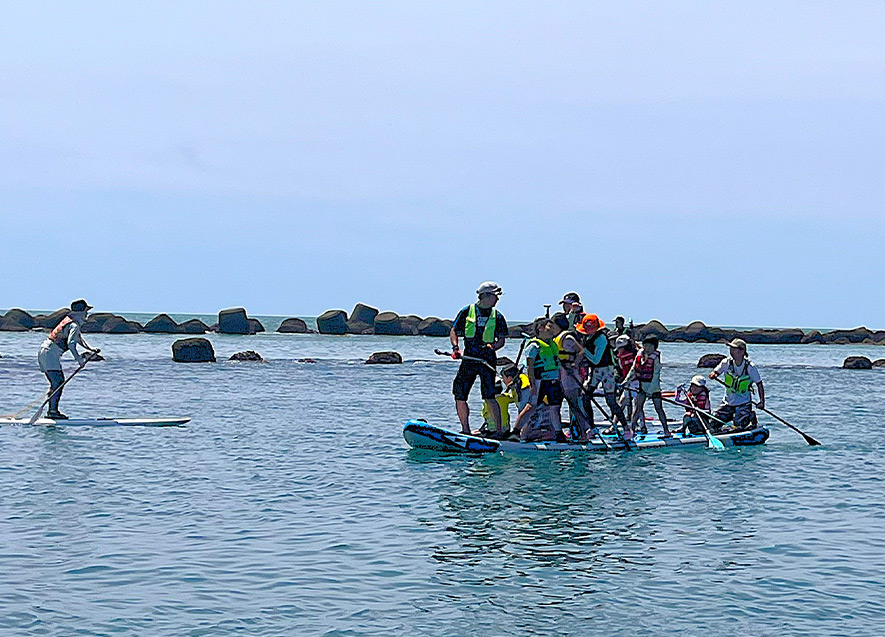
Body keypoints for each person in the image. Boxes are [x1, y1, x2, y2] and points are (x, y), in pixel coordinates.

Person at [450, 282, 509, 437]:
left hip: (487, 361)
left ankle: (498, 431)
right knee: (460, 394)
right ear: (486, 296)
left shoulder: (498, 316)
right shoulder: (466, 311)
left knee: (490, 395)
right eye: (495, 296)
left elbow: (502, 340)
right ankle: (465, 429)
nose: (497, 300)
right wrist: (455, 348)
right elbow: (454, 330)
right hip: (469, 359)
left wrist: (493, 347)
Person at [36, 299, 99, 419]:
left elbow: (79, 339)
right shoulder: (74, 325)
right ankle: (52, 412)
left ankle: (52, 410)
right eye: (86, 311)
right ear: (81, 311)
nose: (87, 314)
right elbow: (71, 344)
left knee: (56, 382)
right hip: (50, 354)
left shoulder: (71, 322)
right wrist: (79, 360)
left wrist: (91, 349)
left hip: (44, 351)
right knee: (58, 382)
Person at [577, 314, 629, 437]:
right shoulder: (588, 337)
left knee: (610, 400)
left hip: (606, 371)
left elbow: (595, 359)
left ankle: (626, 427)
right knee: (585, 396)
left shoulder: (601, 339)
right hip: (595, 371)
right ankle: (592, 427)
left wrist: (583, 351)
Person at [551, 312, 592, 441]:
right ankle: (574, 432)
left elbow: (581, 351)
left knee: (574, 404)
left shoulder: (567, 338)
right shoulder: (556, 338)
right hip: (561, 376)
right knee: (568, 404)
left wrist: (574, 364)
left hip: (570, 376)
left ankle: (585, 432)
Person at [709, 338, 764, 432]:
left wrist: (762, 401)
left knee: (739, 426)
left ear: (742, 351)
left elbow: (759, 384)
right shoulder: (726, 363)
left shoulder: (750, 367)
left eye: (734, 349)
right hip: (728, 403)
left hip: (743, 403)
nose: (731, 351)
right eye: (731, 349)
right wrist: (713, 374)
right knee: (712, 423)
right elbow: (715, 372)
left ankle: (750, 416)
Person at [621, 335, 671, 438]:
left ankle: (666, 431)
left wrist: (650, 390)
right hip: (642, 385)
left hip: (654, 387)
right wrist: (626, 381)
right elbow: (633, 369)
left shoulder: (655, 357)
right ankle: (632, 430)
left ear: (654, 347)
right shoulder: (639, 354)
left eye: (650, 346)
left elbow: (656, 374)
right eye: (645, 345)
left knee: (658, 408)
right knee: (637, 408)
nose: (647, 348)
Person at [524, 318, 564, 438]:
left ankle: (558, 432)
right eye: (549, 327)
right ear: (540, 328)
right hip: (540, 380)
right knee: (532, 406)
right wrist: (532, 385)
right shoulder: (534, 345)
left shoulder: (552, 344)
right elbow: (530, 367)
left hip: (553, 381)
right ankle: (518, 431)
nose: (552, 330)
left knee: (555, 407)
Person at [479, 366, 520, 437]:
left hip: (492, 430)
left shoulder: (487, 402)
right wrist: (512, 389)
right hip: (506, 429)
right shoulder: (505, 397)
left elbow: (485, 415)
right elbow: (514, 398)